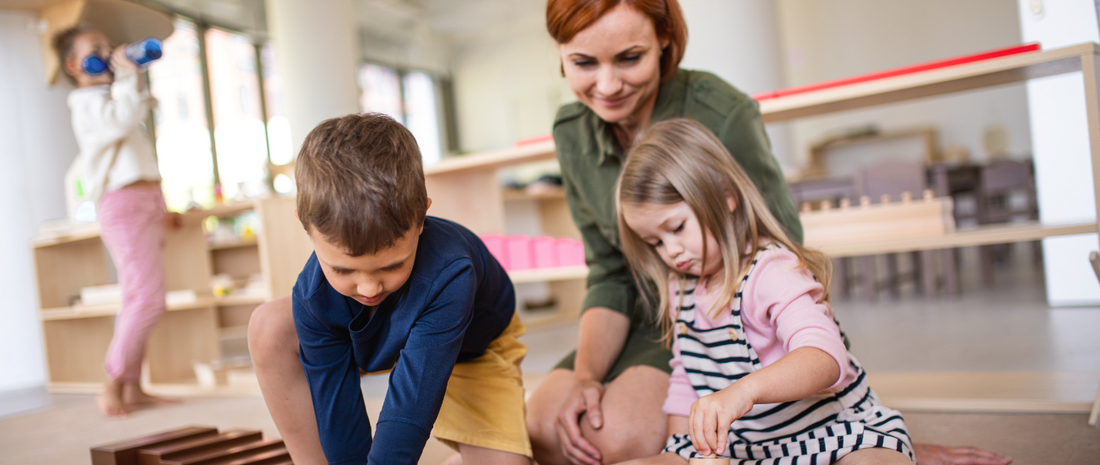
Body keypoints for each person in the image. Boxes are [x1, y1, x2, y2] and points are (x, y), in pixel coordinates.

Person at [526, 1, 1012, 465]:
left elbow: (792, 279)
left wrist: (866, 430)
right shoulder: (574, 136)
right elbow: (611, 276)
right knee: (543, 430)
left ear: (665, 41)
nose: (607, 85)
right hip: (659, 318)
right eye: (583, 63)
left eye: (629, 58)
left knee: (613, 440)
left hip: (757, 347)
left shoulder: (728, 129)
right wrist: (596, 384)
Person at [615, 118, 913, 464]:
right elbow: (686, 379)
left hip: (835, 434)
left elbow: (825, 357)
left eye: (677, 227)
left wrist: (744, 391)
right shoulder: (679, 289)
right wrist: (681, 452)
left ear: (726, 196)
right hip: (749, 450)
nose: (671, 251)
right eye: (655, 242)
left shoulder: (772, 270)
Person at [246, 113, 532, 465]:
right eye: (343, 269)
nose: (367, 287)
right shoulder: (313, 295)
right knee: (269, 326)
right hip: (380, 335)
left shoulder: (451, 271)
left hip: (473, 350)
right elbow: (337, 408)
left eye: (392, 265)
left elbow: (411, 404)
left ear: (421, 218)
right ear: (306, 227)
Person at [54, 24, 178, 418]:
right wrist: (127, 74)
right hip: (123, 204)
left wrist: (162, 206)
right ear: (75, 64)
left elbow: (136, 148)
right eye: (97, 49)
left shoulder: (110, 97)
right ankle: (111, 382)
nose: (107, 53)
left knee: (136, 298)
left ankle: (132, 387)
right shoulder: (86, 103)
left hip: (144, 200)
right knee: (146, 300)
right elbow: (123, 120)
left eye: (109, 47)